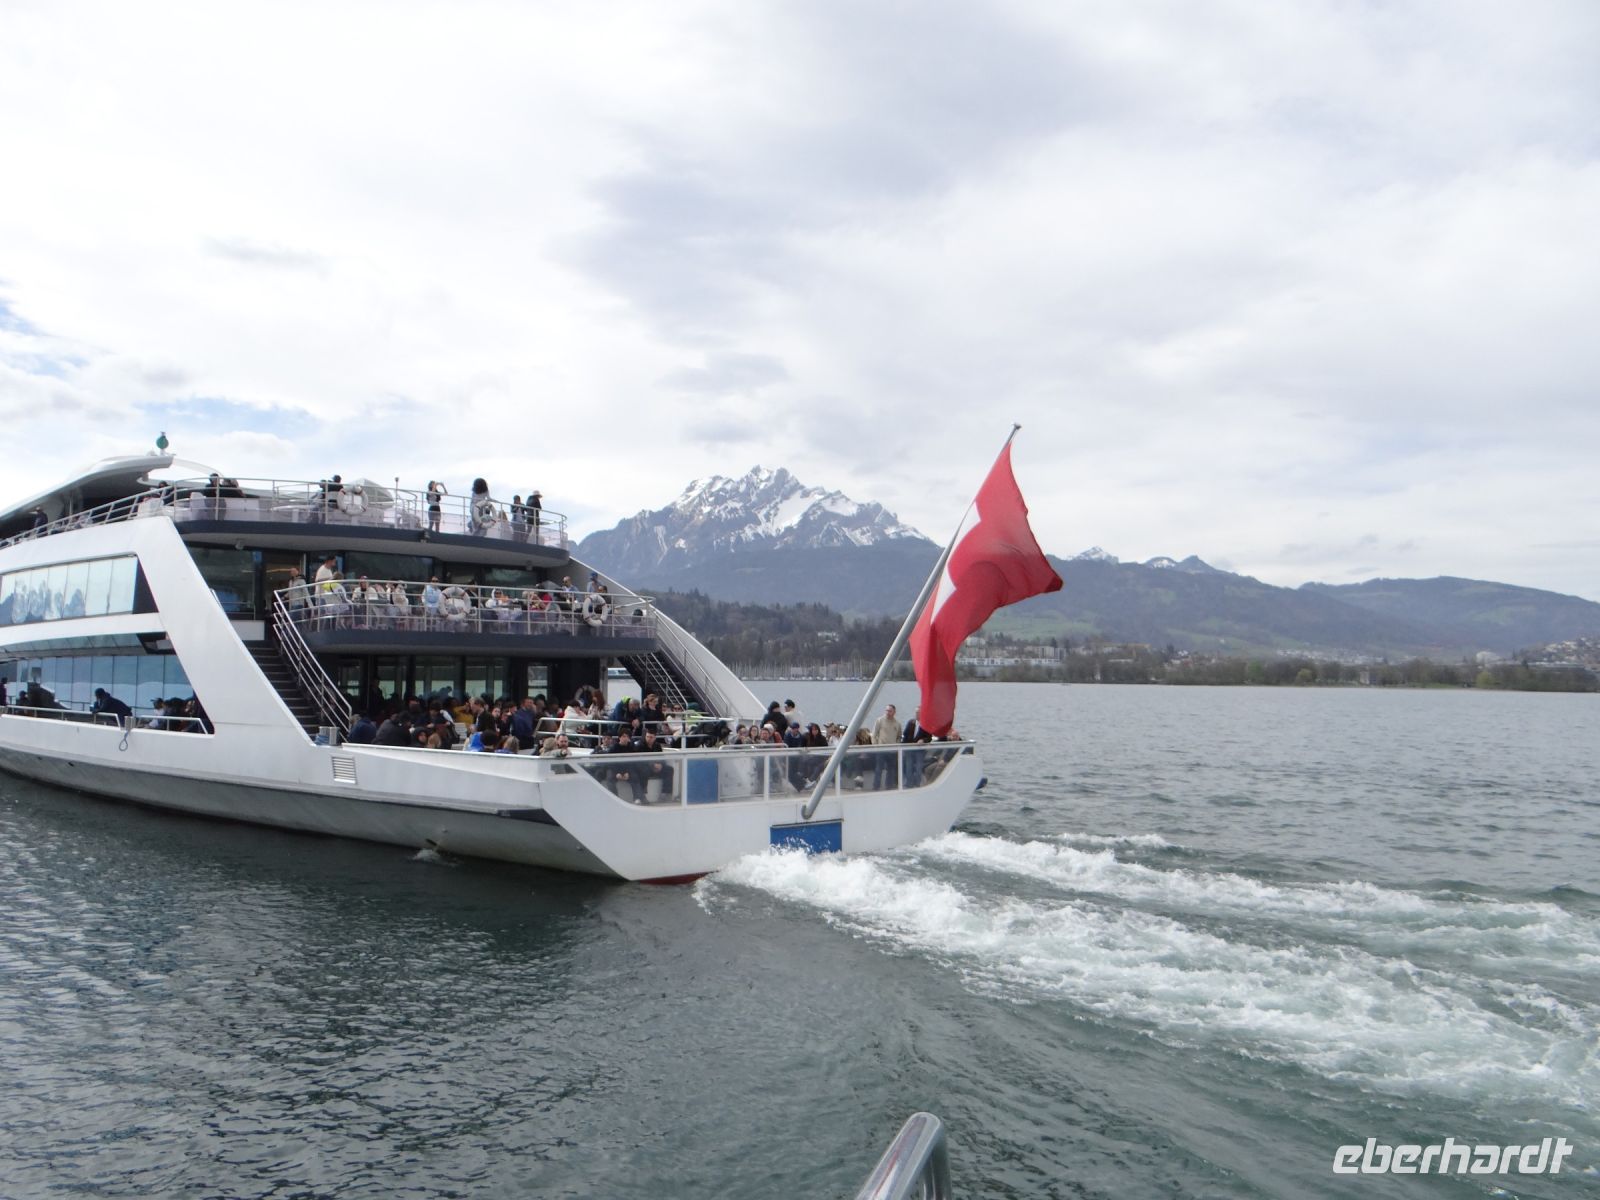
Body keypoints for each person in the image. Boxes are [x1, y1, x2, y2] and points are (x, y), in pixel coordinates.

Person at [871, 703, 900, 790]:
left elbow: (899, 736)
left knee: (891, 770)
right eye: (886, 710)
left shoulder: (897, 723)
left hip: (892, 750)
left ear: (894, 712)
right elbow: (874, 735)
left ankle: (889, 786)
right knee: (878, 769)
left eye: (890, 711)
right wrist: (875, 746)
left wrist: (896, 745)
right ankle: (876, 787)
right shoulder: (879, 720)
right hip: (881, 749)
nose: (887, 712)